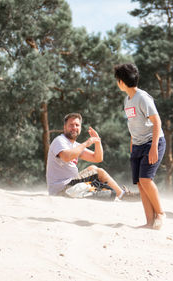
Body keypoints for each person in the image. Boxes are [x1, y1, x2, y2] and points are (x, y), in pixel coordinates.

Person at [114, 63, 166, 230]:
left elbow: (157, 121)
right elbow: (133, 124)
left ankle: (160, 214)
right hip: (137, 145)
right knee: (140, 183)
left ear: (121, 81)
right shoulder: (126, 100)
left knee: (146, 179)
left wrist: (153, 148)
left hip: (152, 142)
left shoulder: (142, 97)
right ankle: (149, 221)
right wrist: (132, 146)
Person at [46, 113, 131, 200]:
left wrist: (98, 142)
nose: (74, 127)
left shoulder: (75, 145)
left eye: (77, 125)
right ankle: (123, 195)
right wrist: (86, 143)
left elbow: (97, 158)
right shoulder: (60, 141)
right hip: (62, 187)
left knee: (92, 169)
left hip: (70, 184)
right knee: (98, 172)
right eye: (71, 125)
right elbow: (66, 157)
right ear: (64, 127)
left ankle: (114, 193)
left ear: (80, 128)